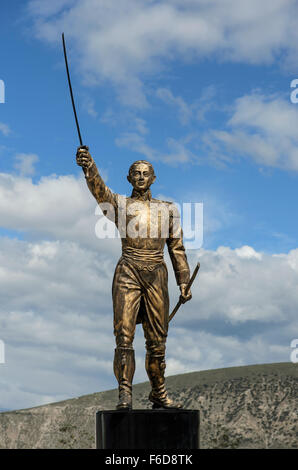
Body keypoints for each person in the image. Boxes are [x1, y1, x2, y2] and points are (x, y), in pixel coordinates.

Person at [76, 145, 192, 410]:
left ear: (153, 179)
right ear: (129, 178)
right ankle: (125, 393)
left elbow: (177, 247)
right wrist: (89, 167)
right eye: (135, 173)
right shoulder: (120, 205)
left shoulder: (168, 209)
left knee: (157, 340)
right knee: (124, 336)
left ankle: (158, 393)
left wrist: (183, 283)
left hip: (157, 274)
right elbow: (100, 192)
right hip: (128, 270)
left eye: (145, 173)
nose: (140, 177)